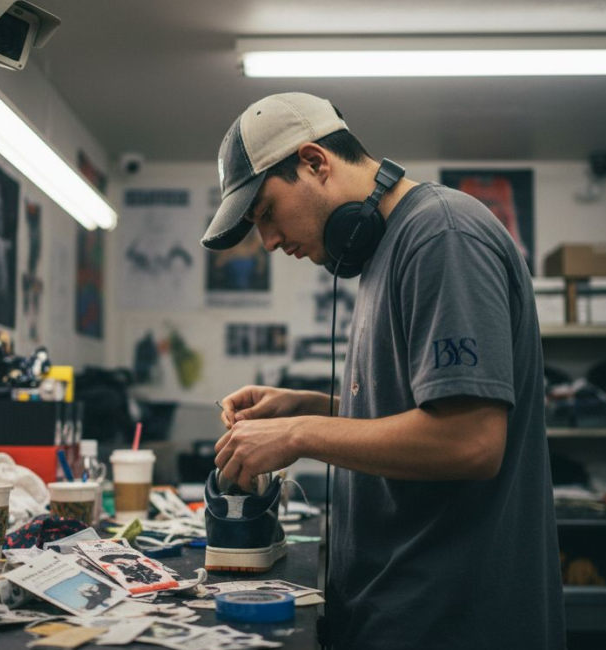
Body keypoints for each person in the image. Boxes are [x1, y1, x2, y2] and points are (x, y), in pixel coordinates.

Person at [202, 93, 564, 650]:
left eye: (267, 213)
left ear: (315, 162)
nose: (269, 241)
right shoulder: (386, 251)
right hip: (398, 611)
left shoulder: (442, 237)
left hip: (452, 623)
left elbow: (470, 441)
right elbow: (420, 412)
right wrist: (309, 405)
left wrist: (299, 434)